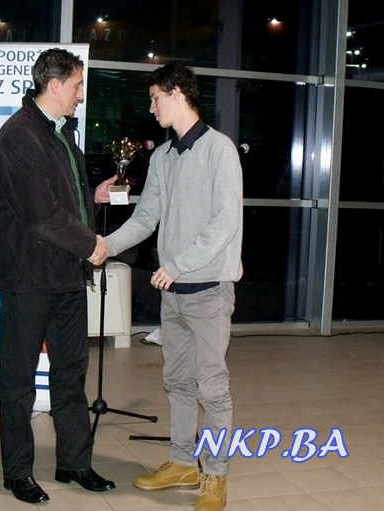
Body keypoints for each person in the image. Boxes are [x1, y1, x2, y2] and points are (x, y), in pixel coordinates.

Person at [94, 63, 243, 511]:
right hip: (173, 291)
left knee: (212, 388)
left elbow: (224, 224)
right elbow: (146, 218)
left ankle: (215, 475)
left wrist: (177, 264)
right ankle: (182, 463)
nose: (151, 106)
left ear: (177, 93)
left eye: (155, 97)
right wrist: (106, 244)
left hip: (208, 288)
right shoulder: (162, 156)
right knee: (177, 381)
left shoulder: (219, 150)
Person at [0, 48, 115, 505]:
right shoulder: (18, 136)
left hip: (66, 277)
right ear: (55, 84)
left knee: (70, 376)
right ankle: (17, 472)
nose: (81, 94)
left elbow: (62, 200)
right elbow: (41, 214)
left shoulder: (62, 133)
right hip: (28, 280)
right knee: (18, 381)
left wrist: (92, 196)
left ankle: (73, 462)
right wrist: (91, 244)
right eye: (78, 85)